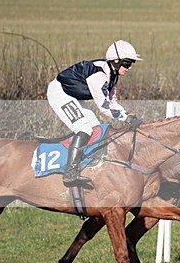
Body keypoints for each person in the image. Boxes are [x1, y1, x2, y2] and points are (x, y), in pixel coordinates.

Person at [47, 40, 142, 187]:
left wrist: (127, 114)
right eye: (127, 63)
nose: (129, 68)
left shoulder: (113, 75)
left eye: (131, 64)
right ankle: (70, 173)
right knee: (84, 129)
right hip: (60, 93)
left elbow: (112, 102)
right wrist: (125, 117)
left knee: (96, 129)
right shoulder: (99, 74)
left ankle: (86, 165)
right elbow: (104, 106)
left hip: (72, 95)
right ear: (116, 61)